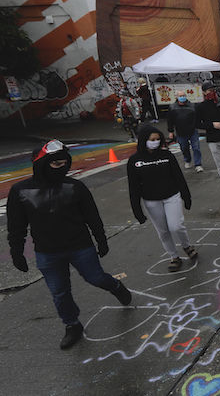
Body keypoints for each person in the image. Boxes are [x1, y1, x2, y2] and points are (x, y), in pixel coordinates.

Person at [7, 139, 132, 350]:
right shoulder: (21, 191)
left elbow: (91, 215)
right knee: (59, 292)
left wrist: (101, 239)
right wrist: (16, 252)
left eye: (65, 163)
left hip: (79, 246)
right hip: (47, 252)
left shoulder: (75, 187)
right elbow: (16, 225)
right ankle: (72, 325)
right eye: (56, 164)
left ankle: (116, 287)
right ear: (41, 163)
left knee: (96, 278)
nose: (62, 168)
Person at [128, 125, 197, 272]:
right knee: (163, 231)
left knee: (176, 226)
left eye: (158, 139)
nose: (155, 142)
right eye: (152, 139)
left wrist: (186, 196)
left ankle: (186, 246)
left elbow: (178, 176)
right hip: (151, 201)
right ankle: (174, 256)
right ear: (144, 140)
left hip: (171, 196)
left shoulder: (167, 155)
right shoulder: (134, 161)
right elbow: (133, 187)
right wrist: (137, 210)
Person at [167, 90, 203, 172]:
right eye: (180, 96)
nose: (182, 97)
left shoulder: (192, 106)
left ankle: (198, 164)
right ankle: (187, 160)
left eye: (183, 95)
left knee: (196, 148)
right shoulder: (172, 107)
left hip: (192, 130)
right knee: (184, 147)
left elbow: (196, 117)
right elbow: (170, 120)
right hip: (181, 132)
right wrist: (171, 131)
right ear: (177, 97)